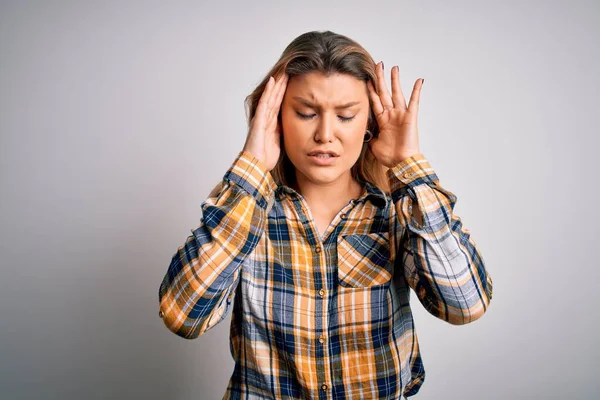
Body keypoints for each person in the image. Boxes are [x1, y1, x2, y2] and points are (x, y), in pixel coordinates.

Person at [157, 30, 493, 399]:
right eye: (305, 113)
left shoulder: (398, 213)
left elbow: (466, 305)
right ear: (276, 118)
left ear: (369, 124)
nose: (325, 134)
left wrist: (407, 166)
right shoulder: (245, 212)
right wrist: (251, 167)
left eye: (346, 116)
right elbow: (183, 315)